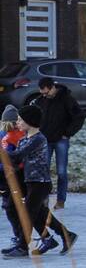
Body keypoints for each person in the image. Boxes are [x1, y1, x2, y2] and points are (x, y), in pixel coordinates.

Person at [5, 105, 77, 256]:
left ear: (30, 121)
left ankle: (23, 246)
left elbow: (18, 155)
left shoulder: (38, 139)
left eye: (20, 120)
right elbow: (17, 161)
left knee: (29, 214)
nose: (17, 123)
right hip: (28, 181)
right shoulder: (24, 140)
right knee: (35, 212)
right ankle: (67, 235)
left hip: (40, 183)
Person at [28, 76, 85, 211]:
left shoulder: (67, 99)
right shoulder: (40, 101)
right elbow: (33, 118)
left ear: (52, 88)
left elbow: (79, 116)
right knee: (43, 171)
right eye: (42, 93)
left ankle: (61, 200)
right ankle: (44, 199)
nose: (45, 95)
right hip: (45, 141)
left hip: (61, 140)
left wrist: (68, 132)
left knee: (61, 172)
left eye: (46, 92)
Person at [1, 105, 27, 254]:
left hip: (14, 175)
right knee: (11, 207)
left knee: (12, 207)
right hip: (9, 175)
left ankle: (21, 238)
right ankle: (19, 237)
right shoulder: (6, 135)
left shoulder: (16, 135)